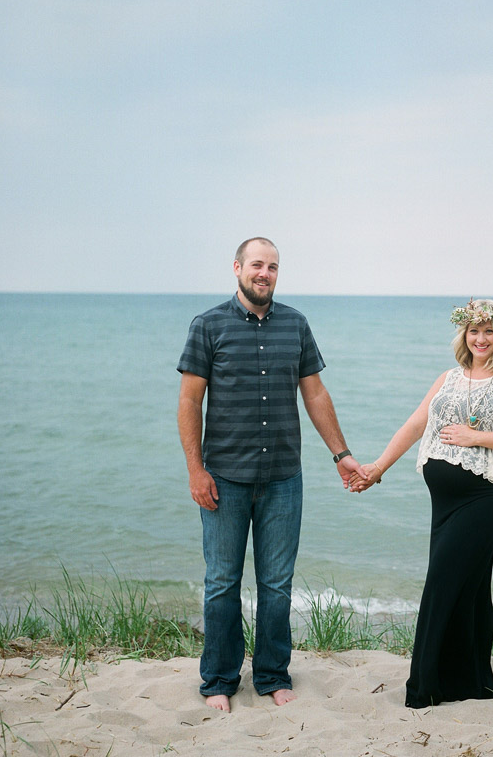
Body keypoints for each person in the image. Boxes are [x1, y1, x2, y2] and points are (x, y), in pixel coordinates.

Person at [177, 237, 365, 712]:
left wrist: (341, 453)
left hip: (283, 478)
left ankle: (272, 674)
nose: (265, 273)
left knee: (277, 585)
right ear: (238, 268)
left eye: (273, 267)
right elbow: (188, 402)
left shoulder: (296, 325)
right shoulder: (208, 326)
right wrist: (196, 470)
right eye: (257, 265)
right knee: (221, 582)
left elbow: (315, 393)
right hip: (224, 478)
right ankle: (219, 680)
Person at [350, 298, 493, 708]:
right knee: (470, 588)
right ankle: (472, 679)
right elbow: (417, 424)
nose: (482, 338)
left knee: (441, 582)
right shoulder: (448, 379)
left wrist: (476, 437)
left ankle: (425, 687)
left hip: (488, 496)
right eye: (474, 331)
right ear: (464, 335)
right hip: (446, 502)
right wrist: (378, 467)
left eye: (489, 330)